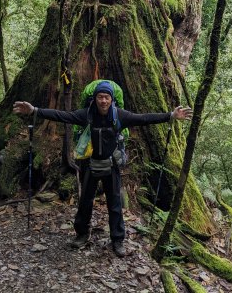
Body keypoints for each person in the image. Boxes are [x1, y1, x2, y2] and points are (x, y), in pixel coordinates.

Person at [13, 80, 192, 258]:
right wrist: (35, 110)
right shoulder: (86, 115)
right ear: (95, 98)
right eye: (100, 97)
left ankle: (117, 240)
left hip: (112, 166)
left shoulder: (119, 115)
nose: (103, 101)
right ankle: (82, 234)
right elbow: (63, 115)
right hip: (90, 165)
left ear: (112, 99)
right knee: (85, 202)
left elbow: (143, 118)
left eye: (107, 97)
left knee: (114, 204)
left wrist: (170, 115)